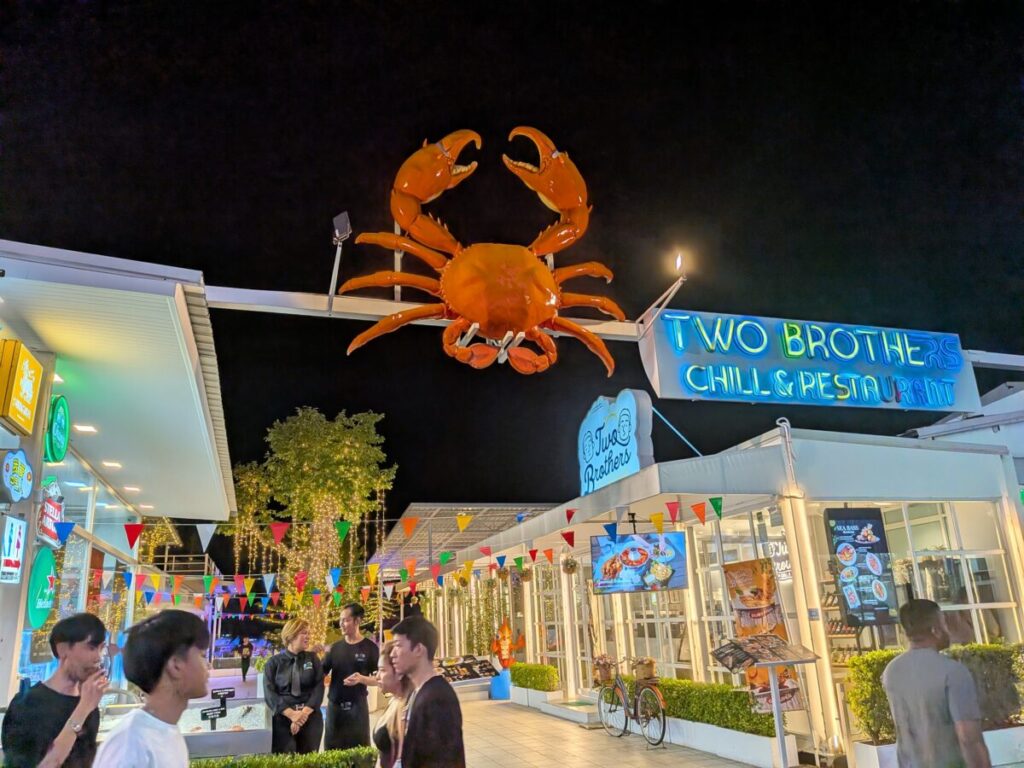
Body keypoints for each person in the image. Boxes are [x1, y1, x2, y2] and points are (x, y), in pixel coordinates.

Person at [94, 609, 210, 768]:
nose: (208, 665)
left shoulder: (167, 731)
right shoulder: (131, 743)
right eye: (202, 655)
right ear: (175, 666)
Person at [882, 599, 991, 768]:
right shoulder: (953, 671)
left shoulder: (891, 671)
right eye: (944, 624)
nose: (948, 630)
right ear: (936, 630)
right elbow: (968, 737)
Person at [2, 612, 108, 768]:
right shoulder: (27, 704)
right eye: (91, 648)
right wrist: (82, 710)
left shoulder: (90, 707)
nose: (98, 657)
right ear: (62, 649)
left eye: (101, 649)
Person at [389, 615, 465, 768]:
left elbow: (443, 762)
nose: (392, 654)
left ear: (418, 649)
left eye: (398, 645)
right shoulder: (419, 693)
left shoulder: (438, 699)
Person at [322, 603, 379, 750]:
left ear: (357, 621)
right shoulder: (334, 648)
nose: (341, 624)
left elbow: (380, 679)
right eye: (340, 620)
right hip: (335, 709)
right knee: (332, 754)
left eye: (345, 620)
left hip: (358, 709)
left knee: (360, 754)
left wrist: (362, 679)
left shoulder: (370, 648)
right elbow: (320, 673)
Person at [263, 618, 324, 754]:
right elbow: (269, 693)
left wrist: (302, 716)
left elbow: (319, 688)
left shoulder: (313, 659)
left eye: (308, 633)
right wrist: (291, 715)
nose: (308, 636)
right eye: (304, 633)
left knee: (309, 761)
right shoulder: (273, 663)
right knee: (285, 760)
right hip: (282, 721)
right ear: (291, 636)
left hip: (310, 719)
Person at [374, 640, 413, 768]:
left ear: (399, 673)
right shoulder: (395, 701)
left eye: (382, 670)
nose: (377, 676)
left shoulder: (409, 707)